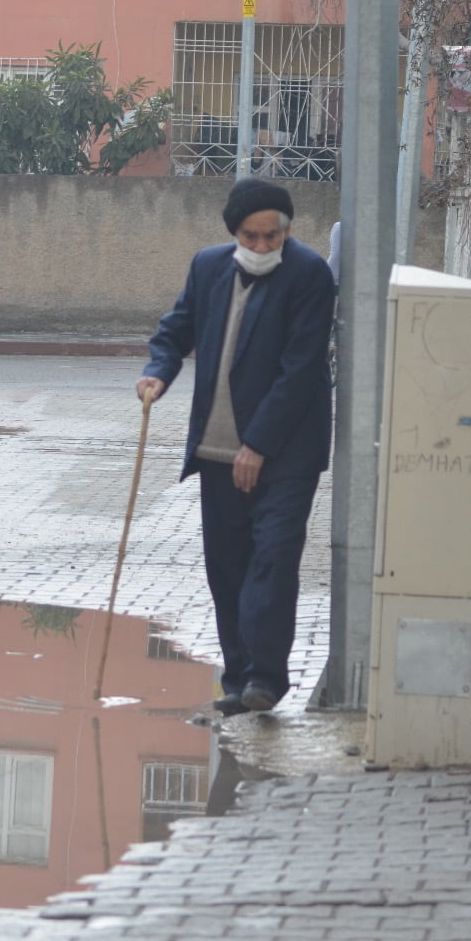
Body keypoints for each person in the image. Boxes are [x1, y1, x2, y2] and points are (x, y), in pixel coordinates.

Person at [136, 178, 336, 714]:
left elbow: (300, 370)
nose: (265, 246)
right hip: (218, 450)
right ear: (235, 233)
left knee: (271, 560)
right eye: (254, 236)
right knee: (227, 567)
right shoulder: (208, 267)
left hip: (285, 454)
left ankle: (265, 681)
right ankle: (237, 678)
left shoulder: (310, 275)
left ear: (288, 232)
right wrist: (158, 373)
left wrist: (259, 445)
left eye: (275, 236)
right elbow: (175, 330)